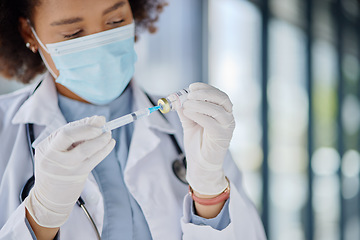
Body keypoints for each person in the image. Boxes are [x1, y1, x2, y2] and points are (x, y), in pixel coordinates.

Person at [0, 0, 266, 239]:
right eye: (73, 33)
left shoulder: (192, 128)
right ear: (29, 33)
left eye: (115, 21)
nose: (100, 42)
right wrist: (40, 216)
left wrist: (210, 195)